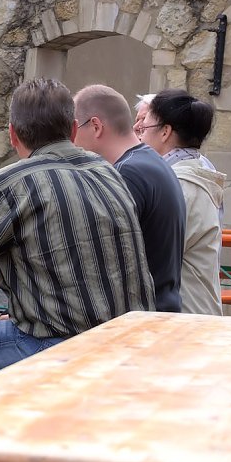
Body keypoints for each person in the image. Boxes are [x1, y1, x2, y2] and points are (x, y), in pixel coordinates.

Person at [0, 78, 156, 400]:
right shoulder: (107, 172)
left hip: (63, 344)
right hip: (131, 340)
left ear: (12, 134)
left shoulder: (12, 182)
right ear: (71, 129)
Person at [73, 84, 185, 312]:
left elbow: (100, 260)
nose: (71, 139)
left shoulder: (127, 173)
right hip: (157, 310)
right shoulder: (150, 162)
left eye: (74, 129)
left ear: (95, 126)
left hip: (137, 323)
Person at [139, 89, 226, 315]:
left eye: (144, 127)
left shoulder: (179, 185)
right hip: (195, 312)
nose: (138, 134)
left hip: (187, 318)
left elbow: (151, 259)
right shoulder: (194, 174)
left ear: (165, 132)